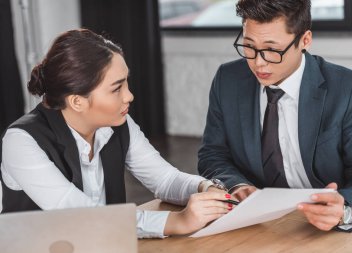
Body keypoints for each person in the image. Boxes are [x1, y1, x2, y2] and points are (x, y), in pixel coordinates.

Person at [0, 29, 234, 239]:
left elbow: (165, 179)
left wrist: (206, 189)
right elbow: (82, 217)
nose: (129, 96)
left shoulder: (117, 123)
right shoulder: (21, 141)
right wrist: (178, 221)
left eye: (126, 83)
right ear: (77, 102)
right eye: (116, 88)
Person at [198, 0, 352, 232]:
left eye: (272, 50)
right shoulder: (228, 79)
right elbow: (213, 153)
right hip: (259, 224)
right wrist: (237, 185)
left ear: (305, 40)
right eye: (249, 45)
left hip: (322, 225)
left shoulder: (348, 89)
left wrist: (344, 210)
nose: (258, 62)